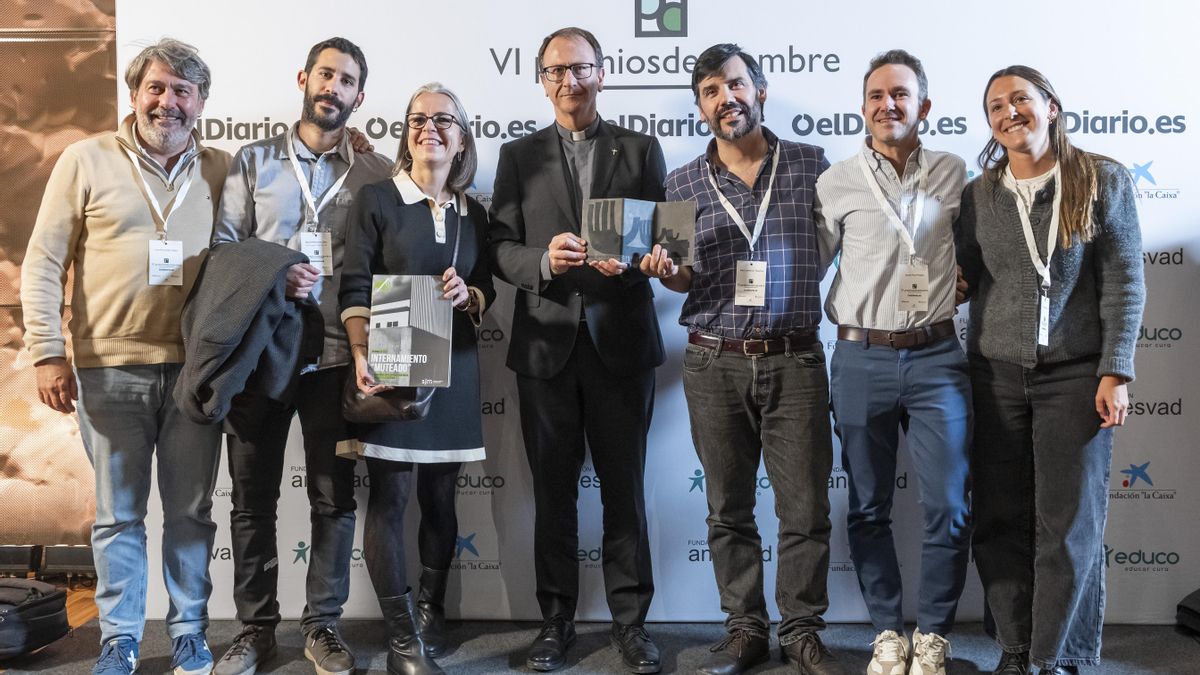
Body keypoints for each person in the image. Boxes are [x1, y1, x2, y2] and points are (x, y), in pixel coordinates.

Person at [20, 38, 228, 675]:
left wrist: (358, 148)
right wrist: (47, 353)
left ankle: (189, 628)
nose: (168, 102)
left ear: (201, 102)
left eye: (182, 91)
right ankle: (119, 637)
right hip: (109, 370)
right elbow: (44, 262)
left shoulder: (222, 168)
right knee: (118, 517)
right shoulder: (85, 160)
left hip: (196, 371)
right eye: (157, 89)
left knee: (192, 512)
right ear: (135, 95)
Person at [646, 42, 841, 675]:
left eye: (734, 85)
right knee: (727, 508)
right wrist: (666, 270)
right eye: (710, 91)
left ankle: (803, 630)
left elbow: (848, 247)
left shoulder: (814, 165)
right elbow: (679, 278)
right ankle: (744, 628)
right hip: (713, 360)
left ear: (759, 89)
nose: (724, 98)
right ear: (701, 106)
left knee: (805, 507)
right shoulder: (679, 183)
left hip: (795, 359)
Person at [208, 37, 392, 675]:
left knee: (332, 498)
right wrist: (274, 271)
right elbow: (224, 251)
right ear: (303, 79)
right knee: (251, 499)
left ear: (359, 97)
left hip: (339, 358)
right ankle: (255, 630)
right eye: (325, 75)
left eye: (346, 82)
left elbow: (397, 248)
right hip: (261, 354)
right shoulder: (253, 161)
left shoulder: (375, 170)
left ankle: (322, 626)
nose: (333, 88)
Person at [487, 25, 666, 675]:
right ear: (541, 80)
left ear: (602, 73)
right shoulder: (517, 155)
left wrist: (646, 260)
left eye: (581, 68)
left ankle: (632, 623)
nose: (570, 81)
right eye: (557, 71)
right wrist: (542, 260)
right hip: (546, 347)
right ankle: (554, 621)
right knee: (554, 494)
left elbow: (663, 241)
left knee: (625, 492)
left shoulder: (642, 149)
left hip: (621, 341)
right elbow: (500, 247)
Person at [956, 65, 1145, 675]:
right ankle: (1015, 645)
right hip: (995, 374)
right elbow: (964, 273)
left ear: (1052, 107)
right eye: (995, 107)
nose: (1009, 113)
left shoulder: (1100, 179)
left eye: (1020, 100)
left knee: (1068, 522)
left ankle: (1055, 653)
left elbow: (1123, 280)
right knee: (999, 517)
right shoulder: (979, 193)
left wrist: (1116, 370)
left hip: (1075, 374)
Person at [814, 50, 971, 675]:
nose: (889, 105)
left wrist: (967, 282)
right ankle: (886, 632)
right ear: (863, 107)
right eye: (877, 95)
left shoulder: (956, 174)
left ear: (923, 106)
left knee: (949, 506)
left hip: (937, 358)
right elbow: (807, 261)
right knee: (868, 505)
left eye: (901, 95)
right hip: (860, 357)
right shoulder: (837, 181)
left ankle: (931, 635)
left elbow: (989, 254)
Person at [339, 82, 494, 675]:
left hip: (455, 362)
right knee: (393, 494)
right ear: (406, 133)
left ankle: (432, 611)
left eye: (444, 120)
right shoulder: (377, 198)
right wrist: (360, 351)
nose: (430, 127)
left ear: (462, 138)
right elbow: (354, 284)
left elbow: (491, 288)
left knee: (439, 495)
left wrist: (470, 292)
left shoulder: (474, 212)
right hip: (393, 358)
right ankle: (402, 637)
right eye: (418, 119)